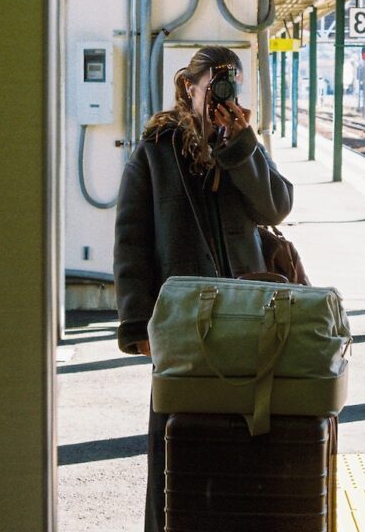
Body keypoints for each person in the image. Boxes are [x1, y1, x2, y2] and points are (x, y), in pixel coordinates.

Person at [113, 45, 294, 532]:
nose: (220, 93)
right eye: (213, 83)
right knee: (176, 443)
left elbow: (276, 208)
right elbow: (131, 239)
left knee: (245, 435)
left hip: (248, 318)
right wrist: (137, 325)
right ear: (188, 87)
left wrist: (242, 147)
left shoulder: (242, 146)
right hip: (181, 323)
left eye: (230, 82)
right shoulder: (156, 149)